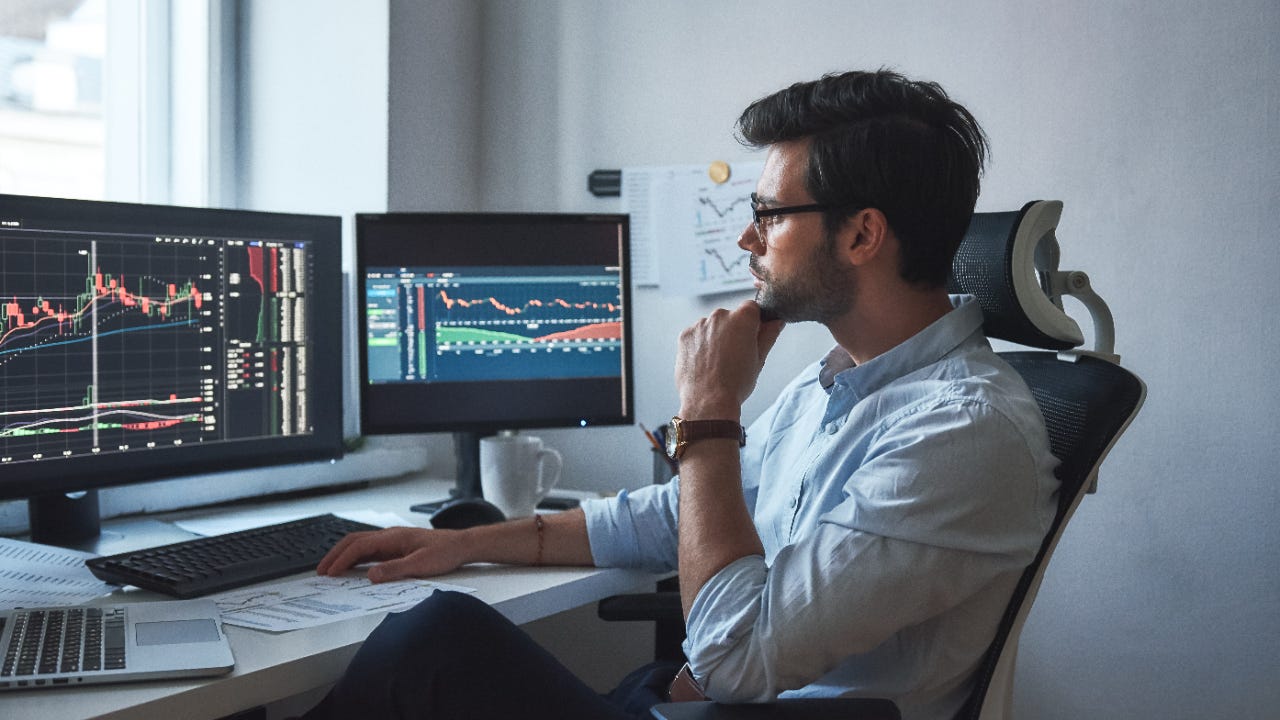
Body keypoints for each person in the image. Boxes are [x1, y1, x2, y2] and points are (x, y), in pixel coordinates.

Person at [301, 69, 1058, 720]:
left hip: (732, 707)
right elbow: (674, 517)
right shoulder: (835, 380)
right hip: (681, 698)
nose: (747, 241)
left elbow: (731, 659)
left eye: (768, 214)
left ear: (862, 235)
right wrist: (461, 544)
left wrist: (709, 415)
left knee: (433, 646)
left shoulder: (961, 431)